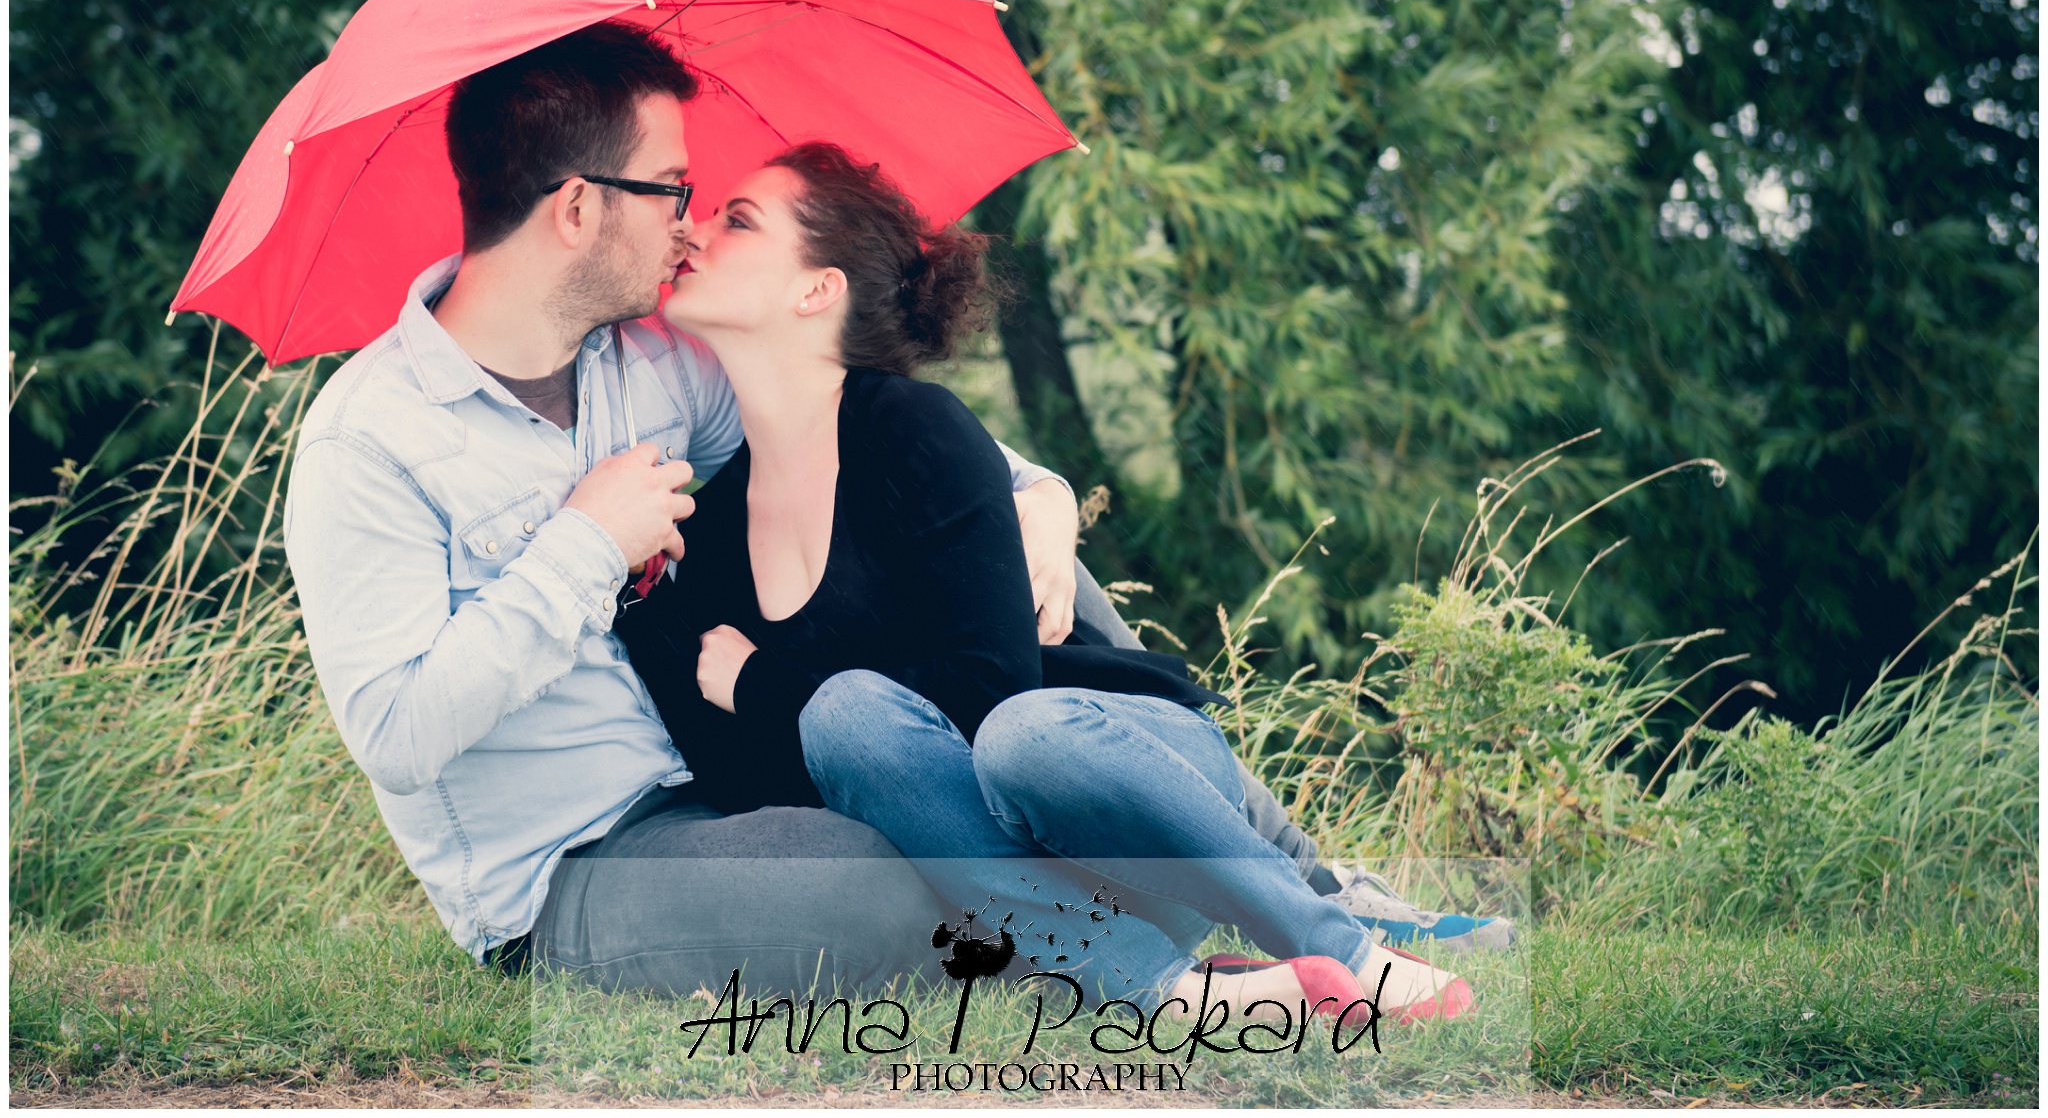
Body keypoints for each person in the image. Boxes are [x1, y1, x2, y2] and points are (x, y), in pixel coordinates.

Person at [283, 20, 1332, 999]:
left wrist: (1038, 493)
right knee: (873, 881)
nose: (688, 223)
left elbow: (853, 422)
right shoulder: (370, 441)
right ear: (576, 210)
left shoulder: (647, 367)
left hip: (739, 780)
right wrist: (584, 545)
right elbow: (397, 737)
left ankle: (1305, 882)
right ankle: (1169, 969)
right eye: (671, 188)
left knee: (1007, 571)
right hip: (581, 856)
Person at [615, 141, 1472, 1020]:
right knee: (845, 715)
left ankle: (1346, 947)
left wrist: (763, 686)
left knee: (1016, 732)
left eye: (738, 219)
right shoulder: (707, 538)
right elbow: (760, 785)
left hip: (1131, 805)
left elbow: (990, 692)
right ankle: (1171, 991)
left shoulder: (917, 431)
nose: (693, 230)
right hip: (1016, 888)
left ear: (817, 289)